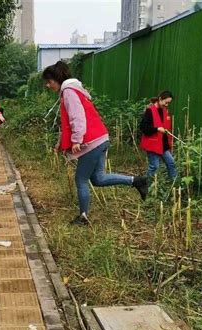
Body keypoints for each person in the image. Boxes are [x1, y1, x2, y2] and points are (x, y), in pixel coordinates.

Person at [43, 61, 148, 226]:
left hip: (91, 141)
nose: (47, 85)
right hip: (101, 138)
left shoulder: (69, 91)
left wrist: (77, 140)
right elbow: (67, 124)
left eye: (49, 81)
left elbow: (77, 117)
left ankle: (83, 217)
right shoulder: (74, 90)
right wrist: (60, 143)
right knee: (98, 179)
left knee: (81, 179)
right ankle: (136, 181)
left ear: (57, 78)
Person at [139, 91, 177, 180]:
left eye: (169, 103)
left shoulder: (164, 111)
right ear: (160, 99)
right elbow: (143, 127)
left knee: (171, 162)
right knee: (154, 166)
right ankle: (146, 184)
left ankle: (174, 183)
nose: (167, 105)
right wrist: (157, 129)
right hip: (153, 144)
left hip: (163, 144)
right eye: (166, 102)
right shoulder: (149, 111)